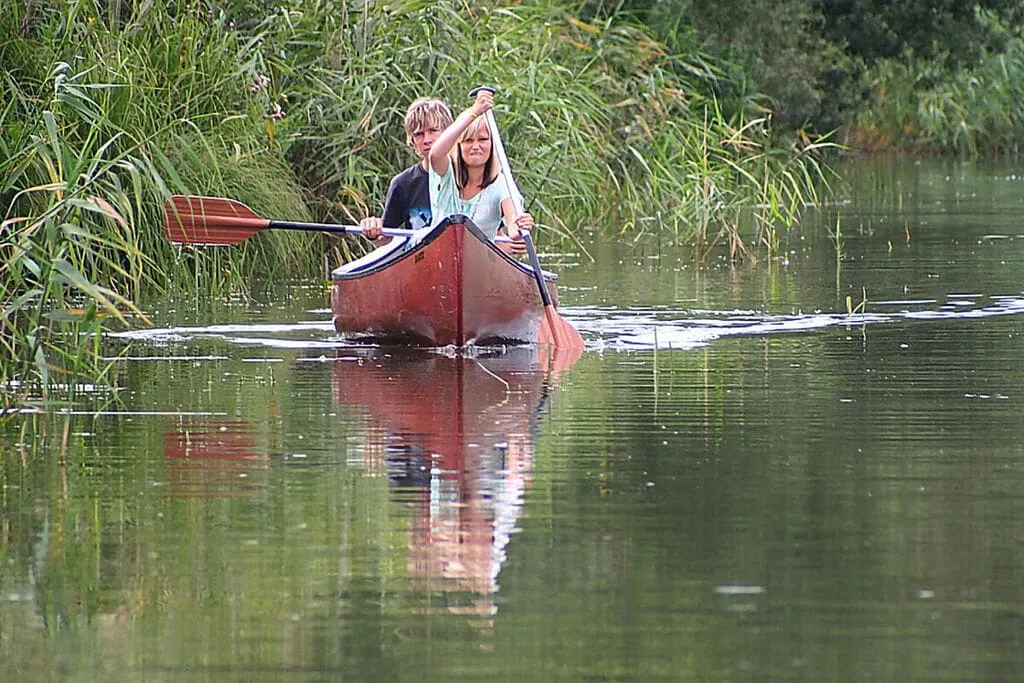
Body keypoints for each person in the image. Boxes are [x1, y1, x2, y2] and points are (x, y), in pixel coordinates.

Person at [427, 89, 532, 254]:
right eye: (468, 140)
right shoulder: (447, 173)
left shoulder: (501, 184)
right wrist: (474, 112)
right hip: (438, 255)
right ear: (459, 146)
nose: (475, 146)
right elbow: (435, 154)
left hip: (479, 262)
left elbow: (513, 228)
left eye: (483, 139)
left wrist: (520, 228)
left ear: (492, 145)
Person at [359, 97, 453, 242]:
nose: (427, 139)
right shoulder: (403, 184)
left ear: (449, 133)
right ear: (412, 140)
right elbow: (384, 238)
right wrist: (373, 228)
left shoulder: (468, 176)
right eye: (419, 134)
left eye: (433, 130)